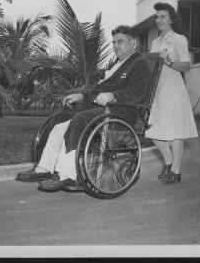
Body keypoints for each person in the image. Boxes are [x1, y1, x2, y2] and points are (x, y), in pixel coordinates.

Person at [16, 25, 151, 192]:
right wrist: (81, 96)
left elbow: (136, 92)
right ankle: (44, 168)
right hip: (104, 109)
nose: (116, 45)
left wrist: (113, 95)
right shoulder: (119, 65)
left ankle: (68, 175)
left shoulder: (139, 64)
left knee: (80, 119)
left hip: (122, 112)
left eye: (120, 41)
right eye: (114, 42)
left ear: (133, 43)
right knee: (60, 119)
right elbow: (97, 89)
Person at [145, 2, 198, 184]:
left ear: (171, 19)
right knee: (152, 130)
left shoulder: (178, 39)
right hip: (158, 91)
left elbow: (187, 66)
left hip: (174, 90)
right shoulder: (155, 42)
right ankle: (168, 162)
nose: (158, 20)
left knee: (176, 132)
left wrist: (169, 62)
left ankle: (175, 171)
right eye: (157, 17)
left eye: (163, 16)